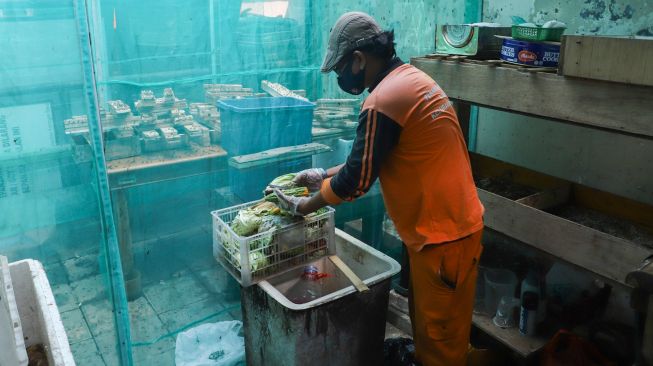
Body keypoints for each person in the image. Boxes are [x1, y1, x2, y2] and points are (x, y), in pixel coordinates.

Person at [273, 11, 484, 366]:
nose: (341, 77)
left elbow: (356, 181)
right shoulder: (410, 80)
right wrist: (322, 174)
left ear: (359, 59)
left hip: (444, 240)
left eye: (341, 69)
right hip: (445, 233)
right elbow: (372, 160)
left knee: (442, 349)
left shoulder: (383, 100)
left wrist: (303, 207)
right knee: (432, 333)